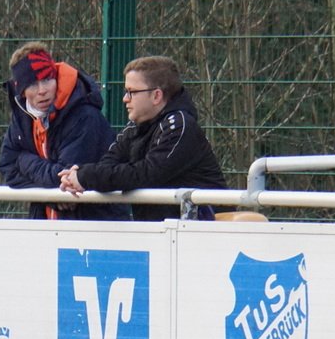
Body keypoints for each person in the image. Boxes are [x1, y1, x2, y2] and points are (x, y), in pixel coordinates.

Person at [58, 55, 227, 221]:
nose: (125, 99)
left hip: (204, 230)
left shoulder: (180, 126)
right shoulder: (135, 127)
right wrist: (79, 176)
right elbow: (108, 163)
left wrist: (85, 176)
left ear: (156, 96)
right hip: (163, 229)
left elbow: (146, 174)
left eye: (131, 92)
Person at [0, 42, 130, 221]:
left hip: (93, 223)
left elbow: (65, 177)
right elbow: (7, 167)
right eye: (33, 84)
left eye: (47, 80)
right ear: (21, 90)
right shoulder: (22, 117)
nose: (42, 90)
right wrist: (51, 198)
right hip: (45, 223)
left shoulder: (84, 116)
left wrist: (24, 160)